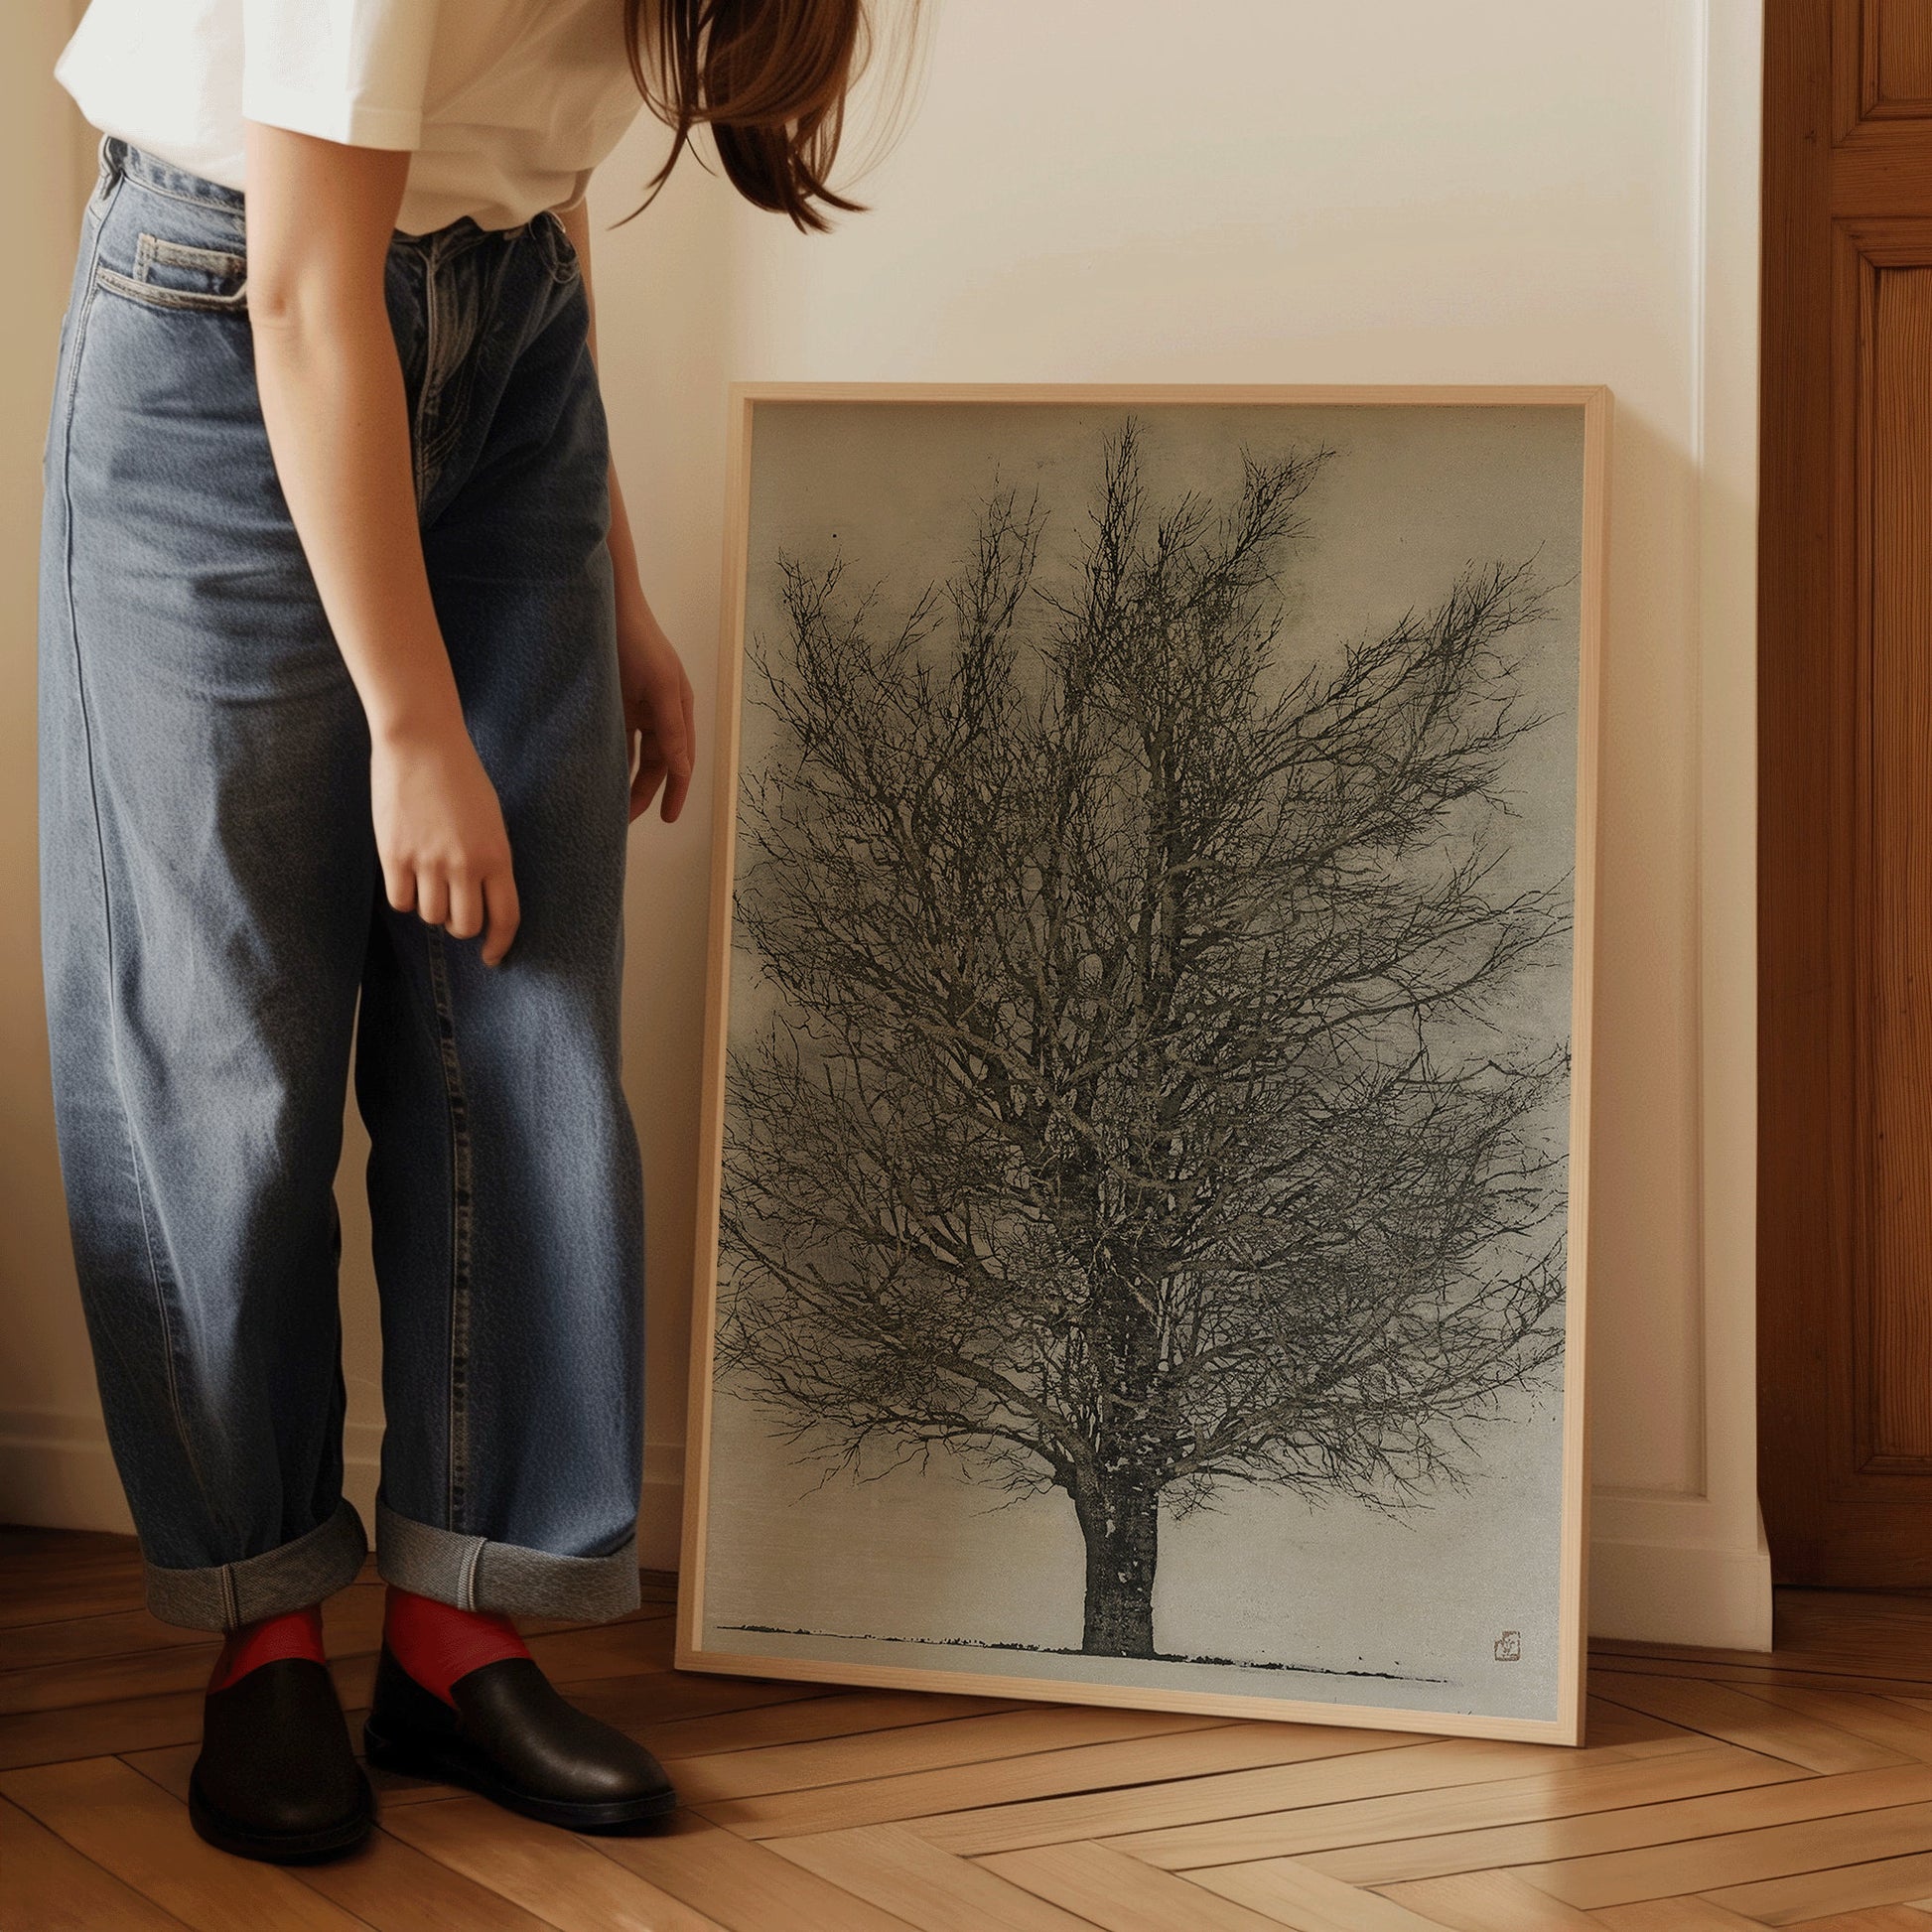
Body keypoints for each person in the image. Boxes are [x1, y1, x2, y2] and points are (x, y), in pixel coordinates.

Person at [41, 0, 892, 1864]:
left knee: (521, 1023)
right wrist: (414, 728)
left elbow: (528, 181)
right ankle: (262, 1627)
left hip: (504, 345)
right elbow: (302, 293)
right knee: (222, 1048)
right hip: (223, 328)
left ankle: (454, 1625)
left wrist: (616, 578)